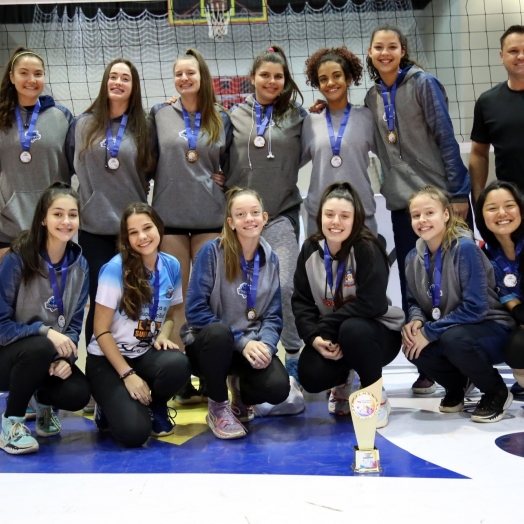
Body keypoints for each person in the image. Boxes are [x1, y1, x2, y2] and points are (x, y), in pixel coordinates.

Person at [365, 25, 472, 394]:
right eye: (378, 47)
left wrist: (458, 193)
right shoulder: (370, 97)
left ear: (402, 50)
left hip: (441, 199)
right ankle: (428, 363)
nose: (384, 53)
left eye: (391, 46)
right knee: (417, 284)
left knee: (454, 281)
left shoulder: (423, 84)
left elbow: (446, 137)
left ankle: (467, 358)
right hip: (403, 204)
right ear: (370, 53)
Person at [152, 48, 231, 403]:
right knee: (175, 297)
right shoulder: (159, 114)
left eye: (191, 73)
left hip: (209, 216)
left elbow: (231, 165)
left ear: (203, 77)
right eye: (179, 73)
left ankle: (214, 371)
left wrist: (225, 178)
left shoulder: (221, 117)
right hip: (169, 216)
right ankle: (180, 372)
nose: (185, 79)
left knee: (210, 297)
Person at [181, 187, 292, 440]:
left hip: (249, 346)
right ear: (231, 222)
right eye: (240, 214)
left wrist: (265, 347)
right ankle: (218, 406)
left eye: (254, 213)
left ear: (265, 218)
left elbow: (274, 316)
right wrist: (241, 342)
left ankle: (241, 391)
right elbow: (195, 311)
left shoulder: (271, 260)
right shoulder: (212, 252)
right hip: (211, 347)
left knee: (278, 388)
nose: (249, 219)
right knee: (219, 333)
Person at [226, 45, 306, 385]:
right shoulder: (232, 115)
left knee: (285, 285)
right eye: (265, 75)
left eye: (278, 76)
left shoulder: (299, 115)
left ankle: (292, 353)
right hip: (240, 218)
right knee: (239, 292)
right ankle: (244, 358)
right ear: (253, 78)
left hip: (280, 214)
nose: (272, 81)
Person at [292, 182, 403, 426]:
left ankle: (376, 394)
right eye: (329, 215)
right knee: (310, 375)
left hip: (376, 335)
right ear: (319, 215)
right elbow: (301, 302)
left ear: (356, 219)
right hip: (332, 334)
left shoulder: (367, 247)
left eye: (344, 216)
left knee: (353, 328)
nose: (336, 222)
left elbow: (371, 303)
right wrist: (313, 338)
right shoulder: (310, 249)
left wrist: (326, 326)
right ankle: (342, 383)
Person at [403, 186, 514, 423]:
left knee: (454, 339)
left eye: (429, 213)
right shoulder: (412, 257)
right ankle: (457, 385)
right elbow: (413, 301)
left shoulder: (465, 249)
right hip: (450, 329)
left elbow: (475, 308)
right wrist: (416, 321)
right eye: (416, 215)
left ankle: (497, 392)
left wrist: (430, 331)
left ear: (445, 215)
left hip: (490, 328)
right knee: (411, 342)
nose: (422, 220)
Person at [66, 58, 156, 349]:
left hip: (133, 231)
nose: (118, 82)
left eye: (125, 78)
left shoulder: (145, 126)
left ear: (133, 87)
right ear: (106, 82)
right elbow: (70, 164)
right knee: (99, 299)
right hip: (94, 228)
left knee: (137, 299)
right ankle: (98, 367)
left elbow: (155, 169)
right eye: (113, 76)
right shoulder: (82, 124)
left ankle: (137, 358)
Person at [86, 203, 191, 448]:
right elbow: (100, 330)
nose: (142, 237)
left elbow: (172, 312)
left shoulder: (171, 265)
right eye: (133, 232)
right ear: (126, 238)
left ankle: (156, 406)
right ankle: (107, 406)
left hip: (144, 352)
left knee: (179, 364)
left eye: (147, 228)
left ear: (159, 228)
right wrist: (128, 374)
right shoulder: (114, 269)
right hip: (108, 360)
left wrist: (163, 335)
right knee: (134, 433)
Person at [0, 182, 90, 455]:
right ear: (43, 218)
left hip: (46, 357)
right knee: (40, 346)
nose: (66, 221)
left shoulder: (81, 266)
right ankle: (11, 424)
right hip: (9, 357)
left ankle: (43, 404)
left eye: (72, 215)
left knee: (78, 394)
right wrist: (45, 332)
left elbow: (73, 326)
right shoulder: (18, 259)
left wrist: (66, 358)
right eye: (58, 214)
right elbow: (1, 325)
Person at [0, 47, 73, 259]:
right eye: (24, 73)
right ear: (12, 77)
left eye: (38, 74)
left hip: (54, 222)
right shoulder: (2, 118)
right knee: (9, 290)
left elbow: (79, 164)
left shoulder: (62, 117)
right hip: (9, 222)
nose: (31, 79)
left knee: (51, 290)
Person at [301, 46, 377, 237]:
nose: (330, 83)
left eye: (336, 76)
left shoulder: (366, 117)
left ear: (349, 79)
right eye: (323, 79)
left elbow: (391, 155)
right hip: (320, 217)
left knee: (365, 266)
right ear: (317, 85)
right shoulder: (310, 120)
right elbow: (289, 162)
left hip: (361, 213)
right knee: (319, 267)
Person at [475, 180, 524, 395]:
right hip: (518, 320)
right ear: (482, 217)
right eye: (492, 208)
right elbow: (507, 298)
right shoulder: (484, 255)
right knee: (517, 346)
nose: (502, 213)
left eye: (509, 206)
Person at [470, 25, 524, 202]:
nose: (521, 56)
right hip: (512, 204)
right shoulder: (488, 102)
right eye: (513, 51)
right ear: (502, 56)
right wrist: (478, 200)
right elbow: (478, 153)